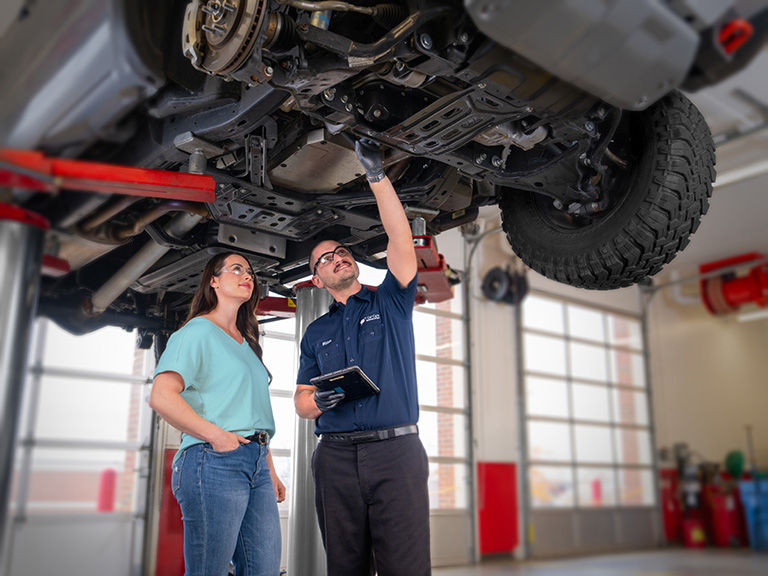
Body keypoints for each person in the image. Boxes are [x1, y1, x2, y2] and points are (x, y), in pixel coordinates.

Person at [294, 139, 430, 576]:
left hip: (397, 452)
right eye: (326, 259)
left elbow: (399, 239)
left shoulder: (389, 302)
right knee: (345, 565)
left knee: (404, 566)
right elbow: (300, 400)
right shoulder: (317, 332)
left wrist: (377, 176)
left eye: (342, 252)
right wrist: (319, 402)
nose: (338, 258)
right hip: (334, 457)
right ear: (316, 279)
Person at [149, 252, 285, 576]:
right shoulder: (196, 332)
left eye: (250, 272)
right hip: (212, 461)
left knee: (263, 569)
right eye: (236, 269)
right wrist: (217, 436)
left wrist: (270, 468)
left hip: (256, 463)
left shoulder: (248, 344)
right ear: (214, 281)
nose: (247, 276)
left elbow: (251, 415)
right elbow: (161, 396)